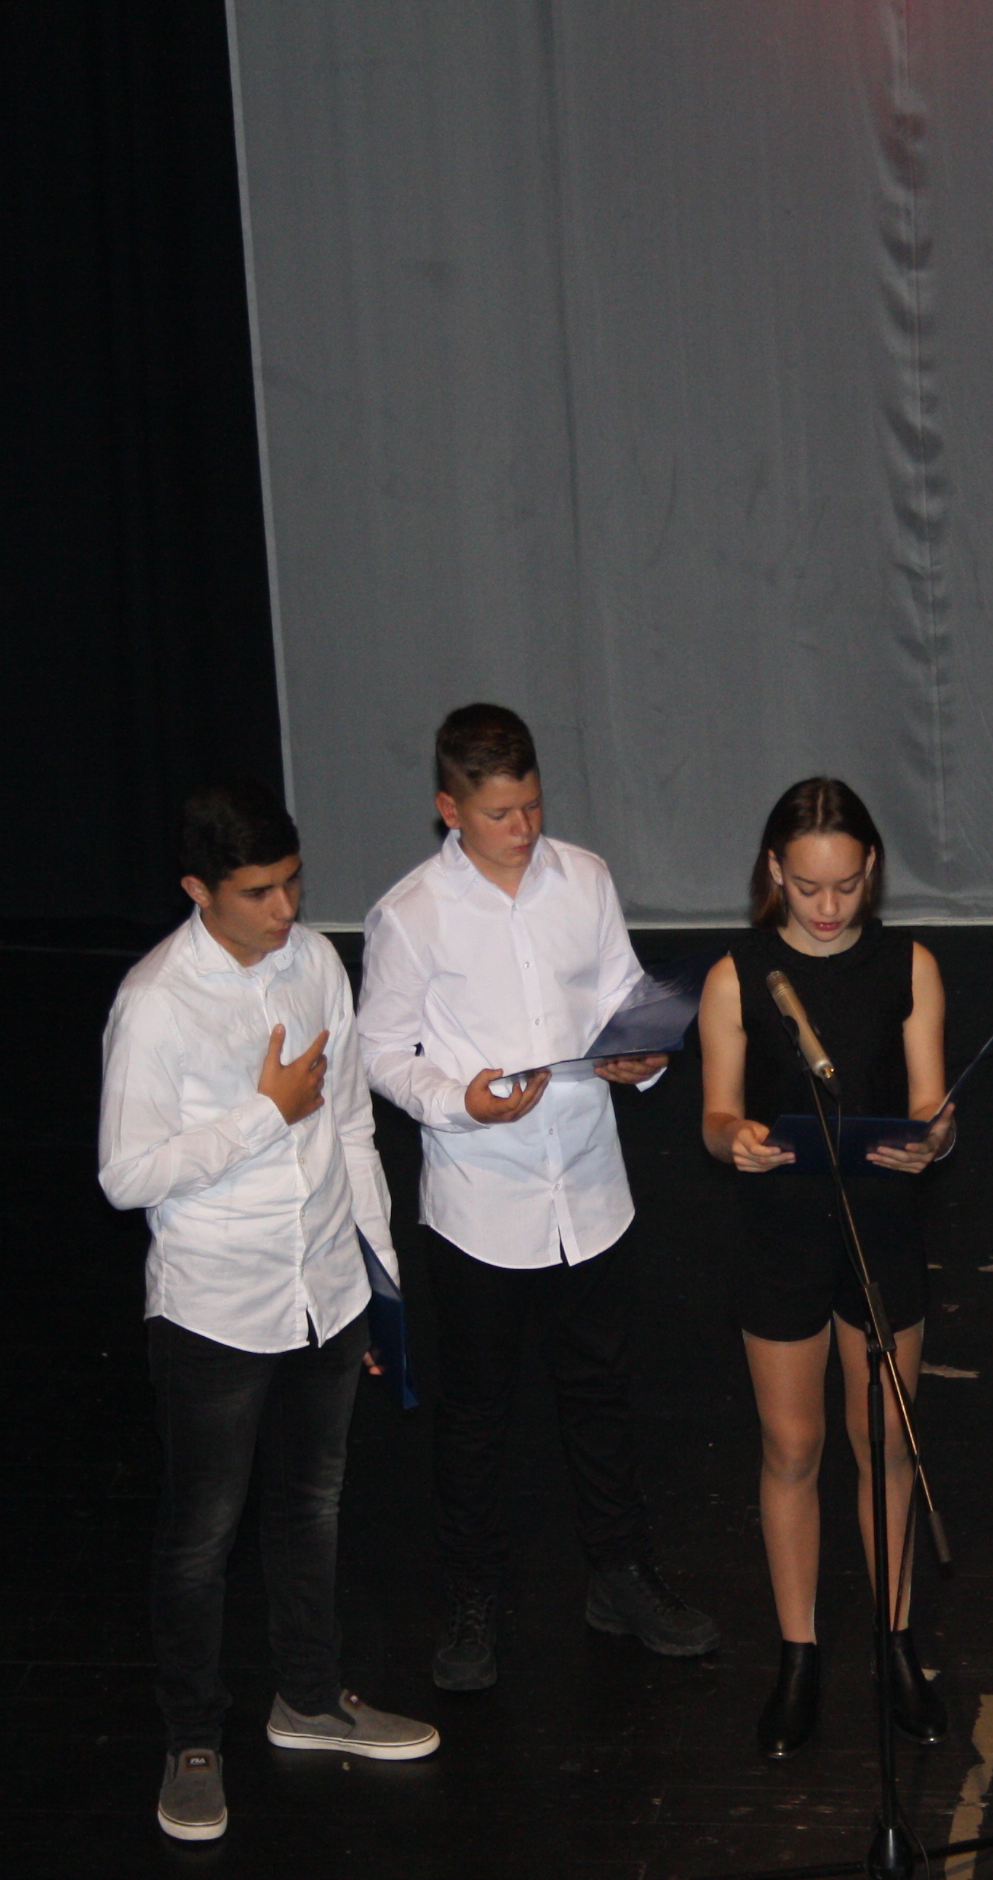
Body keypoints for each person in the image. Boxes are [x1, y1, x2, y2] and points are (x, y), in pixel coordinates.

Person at [98, 780, 439, 1844]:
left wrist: (379, 1279)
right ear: (198, 889)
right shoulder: (157, 1001)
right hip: (216, 1309)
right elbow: (125, 1174)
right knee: (201, 1536)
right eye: (258, 892)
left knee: (311, 1506)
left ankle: (310, 1697)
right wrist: (262, 1113)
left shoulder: (316, 963)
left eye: (292, 882)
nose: (285, 908)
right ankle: (192, 1738)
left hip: (327, 1290)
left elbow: (351, 1128)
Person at [356, 703, 719, 1692]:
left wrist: (641, 1056)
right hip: (482, 1203)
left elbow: (623, 997)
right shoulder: (410, 914)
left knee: (600, 1396)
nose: (522, 828)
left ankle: (620, 1578)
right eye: (499, 813)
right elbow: (381, 1051)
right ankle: (471, 1601)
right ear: (450, 809)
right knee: (477, 1414)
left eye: (531, 805)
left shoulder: (584, 878)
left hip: (591, 1191)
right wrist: (460, 1101)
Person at [697, 776, 958, 1759]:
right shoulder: (737, 976)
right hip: (779, 1234)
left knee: (885, 1441)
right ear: (774, 870)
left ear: (871, 869)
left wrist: (934, 1135)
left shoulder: (908, 966)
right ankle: (798, 1653)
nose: (826, 905)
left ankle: (895, 1642)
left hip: (880, 1225)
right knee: (793, 1446)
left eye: (845, 885)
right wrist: (734, 1139)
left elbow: (931, 1101)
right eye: (806, 886)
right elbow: (715, 1114)